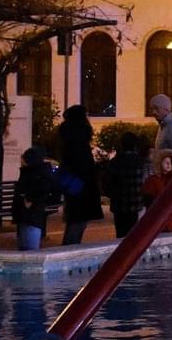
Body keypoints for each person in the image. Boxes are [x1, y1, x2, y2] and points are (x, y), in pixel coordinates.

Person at [56, 104, 103, 245]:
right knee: (78, 221)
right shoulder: (79, 138)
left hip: (74, 184)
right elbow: (83, 164)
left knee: (75, 220)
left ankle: (69, 247)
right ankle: (69, 249)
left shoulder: (68, 137)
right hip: (82, 185)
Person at [12, 146, 57, 251]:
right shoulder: (31, 172)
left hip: (30, 216)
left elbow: (43, 187)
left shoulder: (35, 174)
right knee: (24, 245)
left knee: (29, 247)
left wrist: (29, 198)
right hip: (25, 215)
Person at [106, 131, 149, 238]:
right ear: (135, 145)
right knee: (133, 235)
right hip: (135, 204)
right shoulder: (140, 162)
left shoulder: (115, 162)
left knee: (120, 234)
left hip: (119, 205)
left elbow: (107, 184)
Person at [142, 149, 172, 232]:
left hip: (171, 222)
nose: (168, 164)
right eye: (166, 162)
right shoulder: (152, 180)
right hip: (156, 222)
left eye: (170, 162)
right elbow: (148, 201)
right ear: (159, 163)